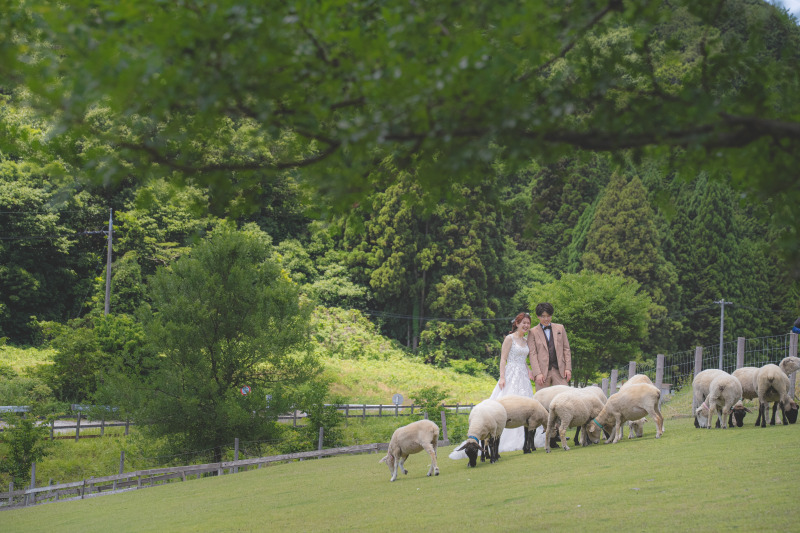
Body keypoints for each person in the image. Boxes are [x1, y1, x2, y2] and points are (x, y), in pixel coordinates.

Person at [449, 312, 533, 459]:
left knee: (525, 406)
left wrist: (529, 370)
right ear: (517, 323)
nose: (526, 325)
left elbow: (523, 360)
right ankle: (500, 439)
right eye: (523, 322)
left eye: (528, 323)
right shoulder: (509, 338)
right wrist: (502, 377)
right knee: (506, 404)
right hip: (511, 374)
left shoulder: (526, 341)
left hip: (523, 377)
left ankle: (526, 439)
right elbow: (503, 359)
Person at [528, 302, 572, 448]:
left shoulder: (560, 328)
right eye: (543, 316)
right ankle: (550, 436)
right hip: (542, 373)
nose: (546, 319)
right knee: (542, 405)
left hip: (559, 370)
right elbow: (532, 354)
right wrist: (537, 373)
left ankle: (561, 432)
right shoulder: (533, 332)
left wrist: (568, 368)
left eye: (548, 316)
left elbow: (566, 349)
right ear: (538, 317)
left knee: (565, 399)